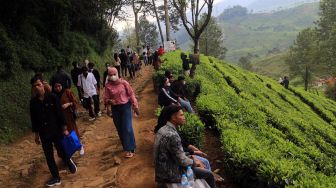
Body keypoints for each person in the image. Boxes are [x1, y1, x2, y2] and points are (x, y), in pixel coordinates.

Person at [30, 75, 77, 187]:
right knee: (49, 156)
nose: (37, 87)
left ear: (43, 84)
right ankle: (56, 177)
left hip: (56, 130)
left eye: (38, 84)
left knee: (61, 151)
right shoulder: (33, 103)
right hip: (43, 133)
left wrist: (64, 128)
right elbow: (34, 120)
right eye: (34, 86)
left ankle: (69, 162)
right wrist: (36, 135)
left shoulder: (52, 97)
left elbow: (59, 113)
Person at [154, 105, 215, 188]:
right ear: (173, 118)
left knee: (199, 163)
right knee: (209, 175)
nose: (184, 117)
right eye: (181, 115)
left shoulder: (162, 129)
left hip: (162, 169)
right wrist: (195, 162)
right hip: (170, 173)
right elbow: (182, 161)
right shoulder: (173, 135)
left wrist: (191, 156)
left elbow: (175, 153)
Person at [104, 67, 140, 158]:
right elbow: (106, 98)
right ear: (108, 76)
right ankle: (125, 145)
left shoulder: (124, 83)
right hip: (115, 108)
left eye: (114, 74)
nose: (112, 77)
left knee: (127, 127)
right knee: (119, 128)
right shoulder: (108, 86)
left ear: (117, 74)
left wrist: (135, 106)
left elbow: (131, 94)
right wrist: (109, 103)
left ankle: (131, 148)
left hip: (125, 107)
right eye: (110, 75)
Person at [52, 82, 84, 156]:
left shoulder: (67, 92)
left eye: (59, 86)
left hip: (68, 116)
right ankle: (70, 151)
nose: (58, 88)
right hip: (59, 119)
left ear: (62, 85)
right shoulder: (53, 96)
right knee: (64, 136)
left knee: (73, 131)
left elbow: (75, 101)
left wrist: (68, 104)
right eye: (55, 87)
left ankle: (80, 147)